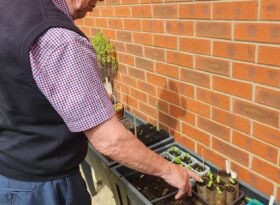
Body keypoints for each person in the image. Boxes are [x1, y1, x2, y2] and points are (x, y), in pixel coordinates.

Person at [0, 0, 201, 204]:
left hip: (10, 173)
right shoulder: (59, 39)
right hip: (44, 187)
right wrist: (170, 170)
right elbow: (111, 141)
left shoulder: (9, 10)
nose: (101, 0)